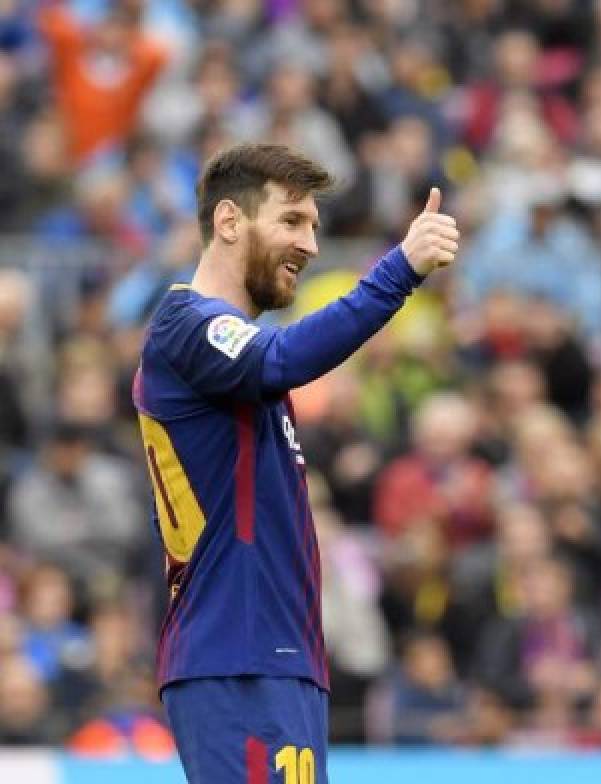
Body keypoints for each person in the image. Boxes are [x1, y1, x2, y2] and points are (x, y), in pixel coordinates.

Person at [133, 143, 458, 783]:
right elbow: (282, 359)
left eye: (313, 225)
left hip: (280, 660)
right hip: (239, 654)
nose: (310, 245)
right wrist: (401, 270)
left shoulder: (239, 367)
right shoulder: (186, 325)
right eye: (291, 221)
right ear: (229, 221)